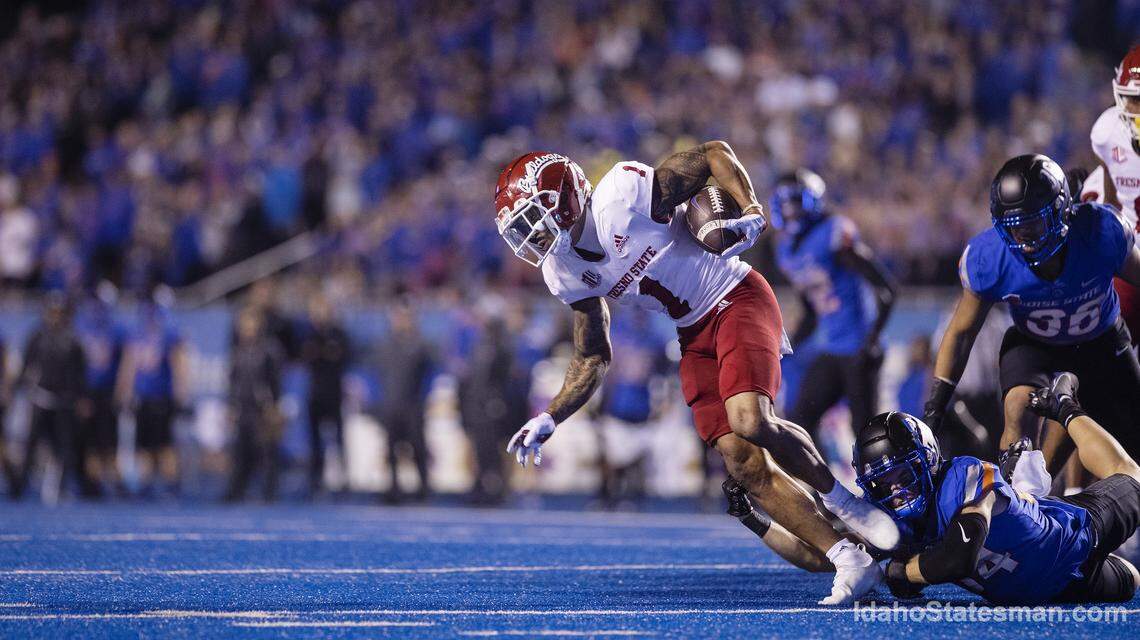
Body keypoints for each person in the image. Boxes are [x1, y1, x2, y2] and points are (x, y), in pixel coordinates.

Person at [495, 144, 899, 605]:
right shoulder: (563, 270)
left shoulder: (622, 194)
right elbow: (592, 353)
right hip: (693, 331)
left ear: (562, 199)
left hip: (735, 295)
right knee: (742, 462)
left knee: (749, 418)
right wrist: (552, 414)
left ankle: (843, 501)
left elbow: (712, 154)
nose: (531, 239)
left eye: (532, 220)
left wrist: (749, 209)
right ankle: (850, 558)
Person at [923, 153, 1140, 477]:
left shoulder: (1101, 232)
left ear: (1061, 211)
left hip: (1101, 341)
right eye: (1013, 227)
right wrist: (935, 408)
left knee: (1132, 444)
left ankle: (1064, 492)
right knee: (1017, 418)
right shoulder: (991, 256)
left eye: (1031, 223)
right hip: (1035, 343)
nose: (1022, 237)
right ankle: (1020, 498)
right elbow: (961, 332)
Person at [851, 373, 1139, 605]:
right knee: (1131, 582)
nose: (896, 489)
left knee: (1131, 474)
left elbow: (957, 558)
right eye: (883, 482)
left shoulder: (963, 476)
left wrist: (901, 570)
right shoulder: (891, 520)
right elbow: (840, 549)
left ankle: (1064, 407)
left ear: (927, 459)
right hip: (1052, 590)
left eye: (903, 473)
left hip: (1070, 540)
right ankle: (1025, 486)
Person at [771, 169, 897, 450]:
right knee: (800, 418)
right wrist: (781, 346)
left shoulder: (834, 231)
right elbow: (811, 313)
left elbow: (886, 289)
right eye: (784, 203)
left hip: (858, 347)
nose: (789, 210)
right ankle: (827, 492)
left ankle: (878, 492)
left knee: (866, 432)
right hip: (830, 347)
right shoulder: (786, 250)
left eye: (794, 201)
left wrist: (872, 338)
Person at [1084, 44, 1140, 344]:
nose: (1136, 110)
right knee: (1110, 339)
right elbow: (1109, 202)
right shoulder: (1107, 132)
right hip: (1132, 248)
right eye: (1131, 99)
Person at [12, 295, 87, 500]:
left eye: (59, 312)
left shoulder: (73, 340)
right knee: (31, 445)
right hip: (40, 398)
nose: (55, 316)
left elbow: (79, 372)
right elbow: (27, 366)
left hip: (63, 401)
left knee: (64, 447)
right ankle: (19, 488)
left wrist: (80, 397)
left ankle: (61, 487)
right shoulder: (37, 336)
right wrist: (16, 388)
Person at [116, 298, 188, 497]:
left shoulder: (168, 334)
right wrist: (124, 392)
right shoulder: (137, 334)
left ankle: (172, 486)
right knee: (145, 446)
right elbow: (129, 365)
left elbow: (178, 364)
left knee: (165, 444)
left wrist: (180, 393)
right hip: (143, 397)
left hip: (161, 397)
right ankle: (146, 485)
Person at [373, 300, 434, 503]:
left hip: (413, 404)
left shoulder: (420, 345)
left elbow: (428, 375)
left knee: (417, 447)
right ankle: (393, 487)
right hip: (392, 404)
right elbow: (379, 375)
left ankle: (423, 488)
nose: (402, 321)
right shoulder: (385, 346)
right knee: (391, 448)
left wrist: (425, 399)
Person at [224, 306, 284, 502]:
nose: (246, 328)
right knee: (241, 451)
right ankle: (236, 490)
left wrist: (272, 405)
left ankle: (269, 492)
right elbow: (233, 381)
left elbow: (274, 380)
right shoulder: (237, 350)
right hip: (243, 406)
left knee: (266, 451)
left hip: (262, 408)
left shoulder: (268, 350)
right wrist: (231, 405)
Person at [75, 284, 126, 497]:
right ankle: (93, 485)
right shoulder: (80, 326)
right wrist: (79, 394)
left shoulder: (117, 329)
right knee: (90, 442)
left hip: (107, 391)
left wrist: (121, 391)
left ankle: (113, 483)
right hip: (88, 392)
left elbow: (126, 363)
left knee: (109, 441)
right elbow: (75, 366)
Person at [300, 295, 350, 496]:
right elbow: (306, 357)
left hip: (334, 393)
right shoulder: (308, 335)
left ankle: (343, 480)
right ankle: (315, 480)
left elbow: (343, 356)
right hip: (315, 393)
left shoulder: (339, 334)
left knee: (338, 439)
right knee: (315, 441)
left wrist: (324, 353)